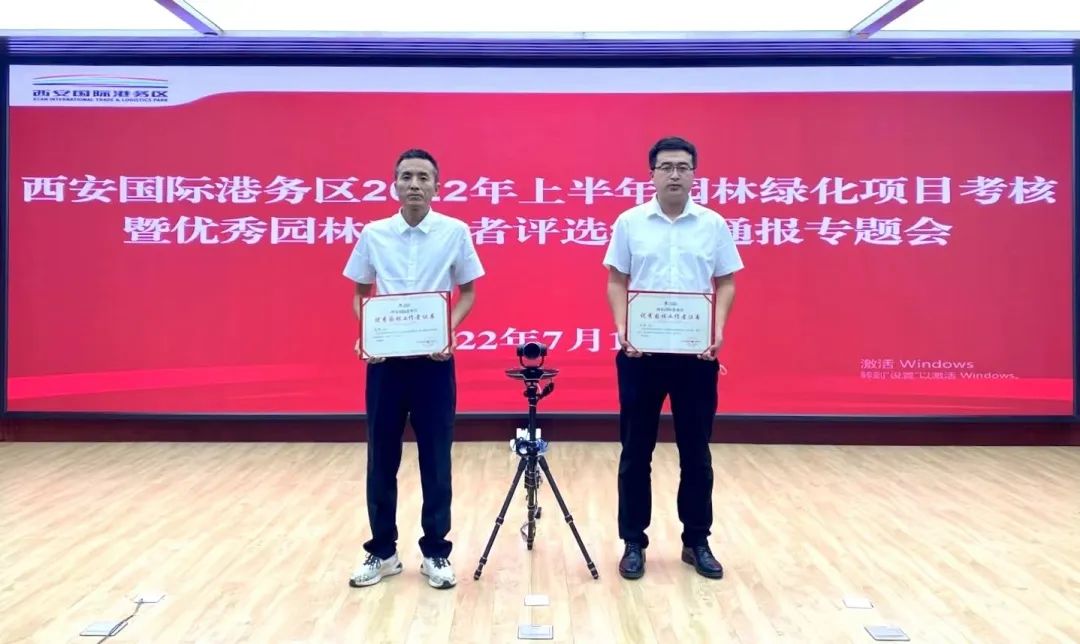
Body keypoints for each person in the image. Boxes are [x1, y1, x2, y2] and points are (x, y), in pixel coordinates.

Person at [601, 136, 744, 580]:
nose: (675, 174)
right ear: (652, 174)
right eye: (666, 167)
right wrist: (623, 328)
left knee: (696, 453)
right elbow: (616, 280)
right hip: (640, 354)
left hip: (694, 356)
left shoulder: (713, 224)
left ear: (694, 174)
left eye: (683, 167)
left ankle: (696, 541)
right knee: (635, 451)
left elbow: (726, 282)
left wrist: (717, 330)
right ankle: (633, 542)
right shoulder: (630, 222)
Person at [343, 148, 484, 590]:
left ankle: (436, 552)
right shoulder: (374, 234)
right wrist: (367, 333)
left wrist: (447, 330)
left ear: (437, 186)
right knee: (381, 460)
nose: (415, 184)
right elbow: (360, 293)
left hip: (433, 365)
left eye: (424, 177)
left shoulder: (454, 232)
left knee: (436, 460)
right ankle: (382, 552)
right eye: (406, 176)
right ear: (394, 184)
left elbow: (468, 292)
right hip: (386, 365)